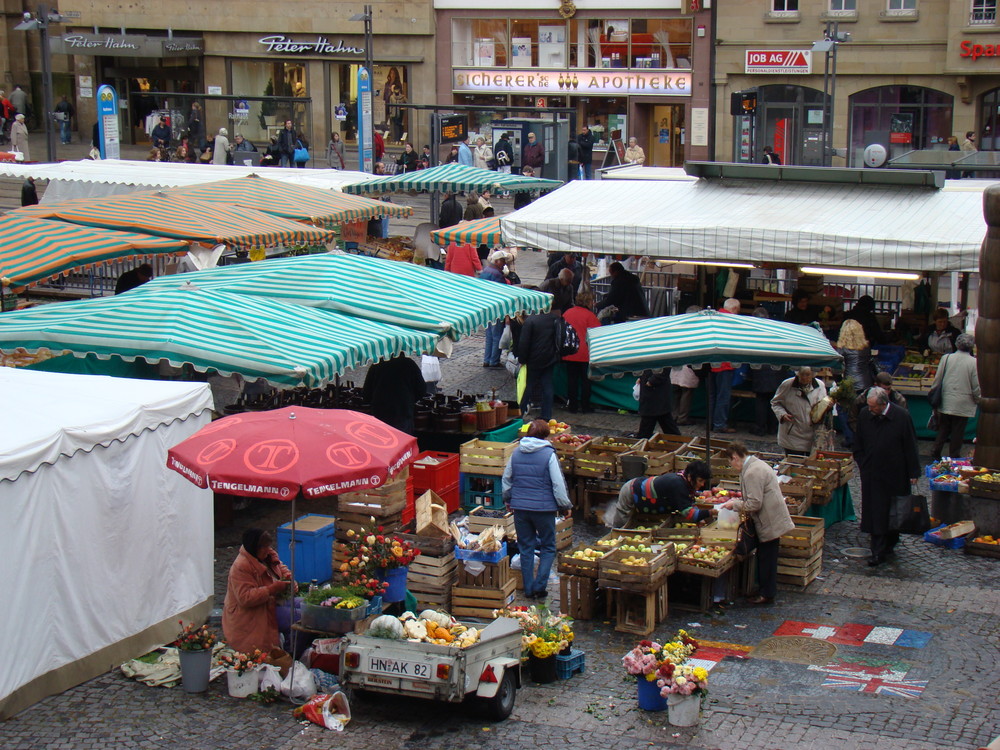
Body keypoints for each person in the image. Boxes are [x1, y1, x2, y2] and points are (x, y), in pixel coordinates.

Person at [501, 419, 571, 599]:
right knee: (548, 546)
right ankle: (540, 586)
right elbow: (558, 483)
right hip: (544, 509)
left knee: (526, 547)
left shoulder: (516, 453)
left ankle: (529, 588)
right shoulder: (548, 454)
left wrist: (509, 500)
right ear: (546, 435)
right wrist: (564, 506)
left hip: (520, 508)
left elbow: (507, 479)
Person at [719, 443, 794, 605]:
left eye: (730, 462)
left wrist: (735, 504)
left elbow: (754, 503)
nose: (731, 466)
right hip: (771, 518)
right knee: (766, 555)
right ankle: (765, 590)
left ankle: (767, 594)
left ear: (735, 457)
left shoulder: (752, 472)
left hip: (769, 521)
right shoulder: (756, 464)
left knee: (767, 558)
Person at [854, 387, 920, 567]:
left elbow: (910, 445)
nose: (870, 410)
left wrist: (914, 472)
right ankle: (878, 550)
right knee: (876, 511)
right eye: (869, 406)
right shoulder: (864, 415)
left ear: (883, 404)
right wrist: (862, 463)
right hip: (872, 472)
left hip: (895, 473)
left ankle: (890, 542)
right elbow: (858, 442)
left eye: (873, 407)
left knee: (893, 510)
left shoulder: (902, 416)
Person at [222, 528, 293, 655]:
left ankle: (291, 652)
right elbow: (245, 598)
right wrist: (272, 589)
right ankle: (288, 653)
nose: (267, 549)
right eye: (263, 547)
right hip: (252, 614)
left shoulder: (267, 555)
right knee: (298, 618)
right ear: (254, 547)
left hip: (273, 602)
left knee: (305, 608)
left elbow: (280, 567)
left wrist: (289, 579)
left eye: (268, 546)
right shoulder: (241, 566)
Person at [607, 461, 713, 528]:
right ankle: (612, 540)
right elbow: (689, 513)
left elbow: (688, 502)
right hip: (631, 490)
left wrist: (700, 518)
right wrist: (712, 512)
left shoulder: (684, 481)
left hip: (641, 490)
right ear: (690, 477)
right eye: (700, 480)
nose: (702, 484)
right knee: (621, 524)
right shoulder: (678, 485)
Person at [930, 333, 980, 460]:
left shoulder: (946, 358)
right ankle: (954, 456)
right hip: (964, 401)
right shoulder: (974, 362)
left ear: (957, 344)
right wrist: (978, 399)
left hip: (946, 399)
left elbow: (938, 379)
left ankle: (936, 450)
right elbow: (976, 385)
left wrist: (933, 395)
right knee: (958, 431)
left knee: (943, 428)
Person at [516, 308, 563, 420]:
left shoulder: (530, 321)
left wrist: (522, 360)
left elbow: (524, 343)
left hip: (533, 360)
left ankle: (520, 412)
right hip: (550, 358)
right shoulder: (555, 318)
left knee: (527, 386)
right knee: (547, 385)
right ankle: (546, 415)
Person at [362, 355, 426, 434]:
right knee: (402, 442)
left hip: (380, 415)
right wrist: (409, 400)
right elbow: (422, 390)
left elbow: (366, 394)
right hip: (403, 414)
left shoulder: (377, 364)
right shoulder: (409, 364)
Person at [771, 366, 828, 455]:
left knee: (810, 465)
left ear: (813, 375)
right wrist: (782, 414)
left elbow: (823, 403)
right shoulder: (787, 384)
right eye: (802, 375)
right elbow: (775, 403)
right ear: (797, 374)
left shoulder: (820, 385)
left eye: (808, 375)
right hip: (792, 435)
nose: (804, 377)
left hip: (813, 434)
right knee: (794, 465)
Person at [835, 318, 874, 448]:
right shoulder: (866, 347)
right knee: (863, 412)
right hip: (866, 383)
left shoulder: (842, 349)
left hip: (849, 384)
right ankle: (864, 438)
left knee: (843, 411)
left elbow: (836, 369)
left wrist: (839, 383)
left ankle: (850, 438)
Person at [706, 298, 741, 433]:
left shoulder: (714, 317)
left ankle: (710, 423)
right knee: (723, 396)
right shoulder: (732, 321)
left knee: (712, 396)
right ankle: (719, 424)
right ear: (735, 309)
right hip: (725, 365)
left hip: (712, 364)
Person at [749, 308, 785, 436]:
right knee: (774, 401)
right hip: (776, 371)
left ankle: (760, 428)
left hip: (759, 370)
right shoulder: (775, 331)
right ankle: (773, 428)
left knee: (761, 401)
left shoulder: (753, 333)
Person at [562, 291, 600, 414]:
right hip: (585, 354)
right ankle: (585, 406)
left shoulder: (567, 313)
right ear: (588, 302)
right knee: (586, 382)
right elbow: (597, 333)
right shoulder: (590, 316)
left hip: (569, 352)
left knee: (571, 381)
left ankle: (572, 406)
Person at [480, 251, 510, 367]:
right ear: (497, 261)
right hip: (496, 309)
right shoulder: (497, 274)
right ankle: (494, 361)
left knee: (489, 335)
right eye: (503, 260)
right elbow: (503, 293)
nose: (504, 263)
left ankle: (487, 360)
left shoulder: (485, 271)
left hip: (486, 307)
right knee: (497, 335)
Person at [636, 369, 680, 439]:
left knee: (657, 419)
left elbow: (664, 369)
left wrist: (651, 381)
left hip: (656, 391)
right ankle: (677, 441)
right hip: (651, 392)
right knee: (664, 419)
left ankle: (677, 442)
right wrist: (641, 377)